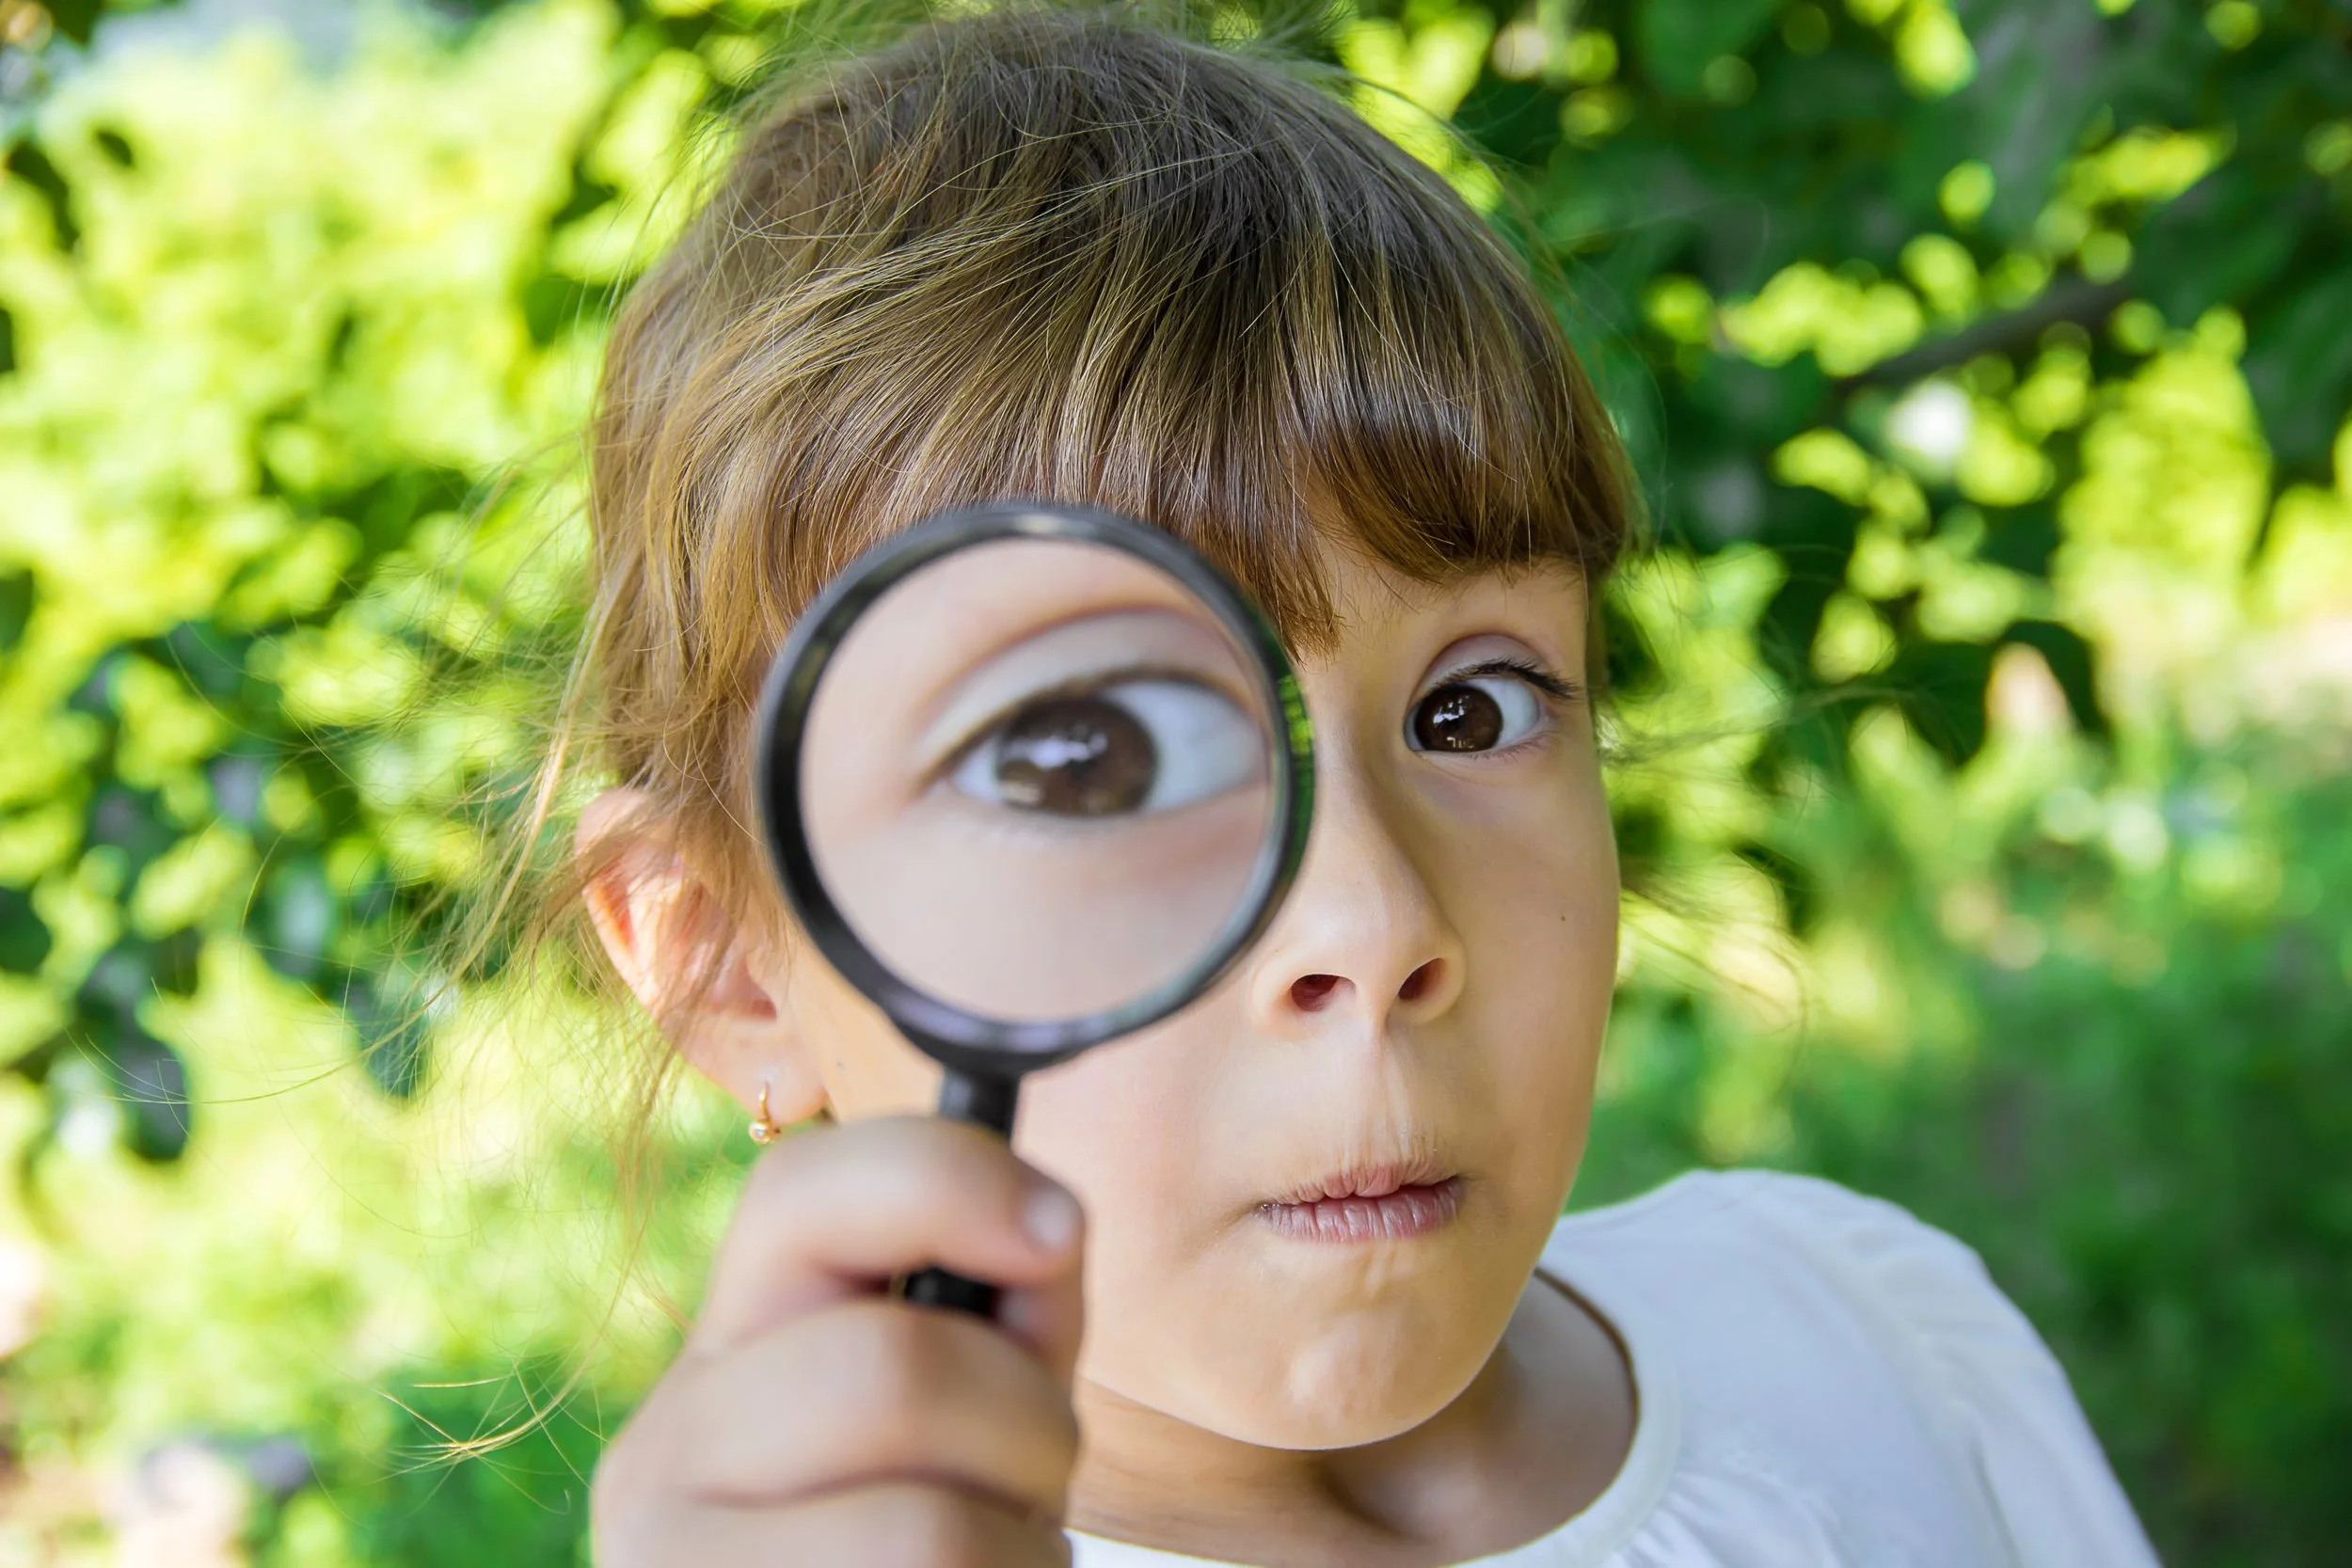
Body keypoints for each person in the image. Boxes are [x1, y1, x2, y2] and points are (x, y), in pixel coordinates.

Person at [559, 9, 2159, 1563]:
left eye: (1469, 711)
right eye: (1085, 758)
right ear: (721, 953)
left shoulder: (1865, 1319)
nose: (1376, 921)